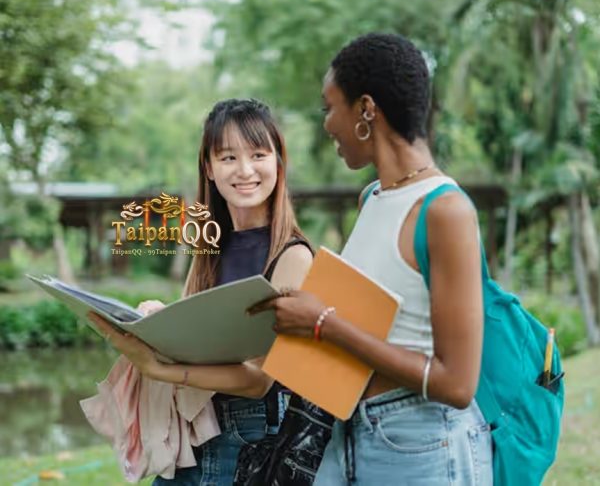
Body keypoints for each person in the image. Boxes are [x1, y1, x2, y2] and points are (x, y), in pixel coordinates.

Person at [248, 33, 494, 485]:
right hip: (352, 430)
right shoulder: (373, 198)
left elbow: (458, 385)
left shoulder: (445, 210)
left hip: (423, 443)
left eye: (329, 107)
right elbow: (371, 322)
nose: (326, 125)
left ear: (366, 109)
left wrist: (323, 323)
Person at [89, 98, 314, 486]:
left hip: (249, 436)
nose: (244, 170)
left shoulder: (292, 255)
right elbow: (198, 338)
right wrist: (160, 319)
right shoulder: (209, 247)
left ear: (278, 161)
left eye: (258, 154)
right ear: (209, 168)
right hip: (192, 427)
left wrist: (161, 369)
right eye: (228, 157)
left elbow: (260, 379)